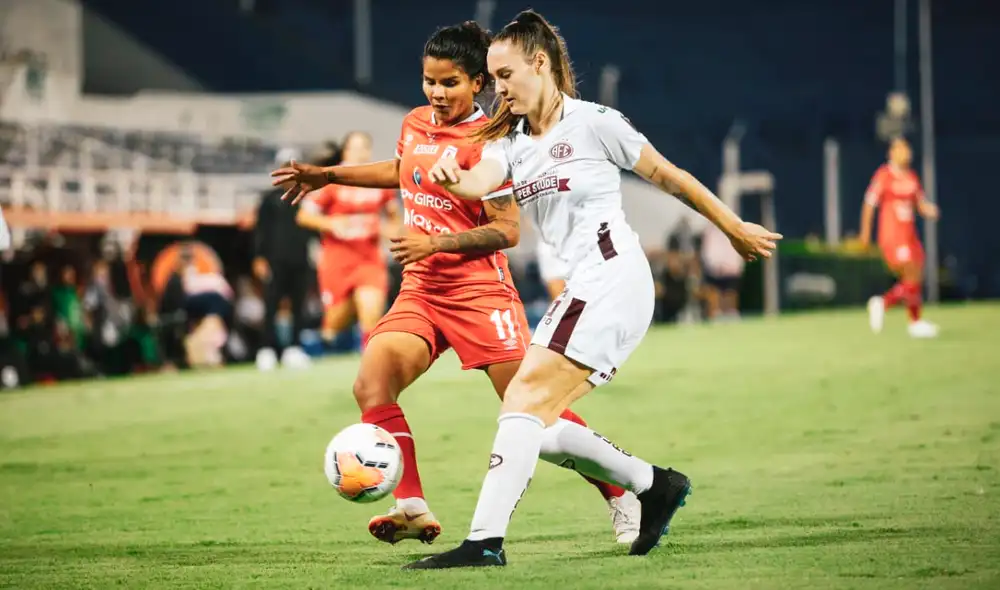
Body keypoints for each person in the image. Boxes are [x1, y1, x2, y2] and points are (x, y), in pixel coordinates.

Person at [406, 10, 781, 569]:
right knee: (539, 424)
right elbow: (478, 179)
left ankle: (485, 542)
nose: (499, 88)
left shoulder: (594, 122)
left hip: (613, 277)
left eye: (506, 75)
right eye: (493, 77)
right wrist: (449, 179)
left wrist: (733, 228)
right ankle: (652, 485)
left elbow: (671, 177)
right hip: (584, 287)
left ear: (540, 63)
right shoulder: (510, 144)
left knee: (524, 403)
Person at [271, 22, 642, 547]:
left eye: (449, 84)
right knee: (371, 385)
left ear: (477, 84)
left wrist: (436, 245)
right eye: (429, 81)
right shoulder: (415, 122)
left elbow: (507, 230)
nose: (436, 94)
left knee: (533, 410)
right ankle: (411, 506)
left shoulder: (494, 144)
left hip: (479, 292)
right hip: (422, 289)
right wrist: (330, 176)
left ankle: (621, 493)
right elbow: (404, 170)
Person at [296, 131, 401, 348]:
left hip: (369, 257)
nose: (360, 152)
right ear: (345, 151)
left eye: (364, 147)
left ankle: (370, 363)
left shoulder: (378, 180)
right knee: (336, 319)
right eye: (355, 147)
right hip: (337, 259)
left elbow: (394, 220)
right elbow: (303, 216)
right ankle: (322, 342)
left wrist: (387, 230)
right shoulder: (331, 180)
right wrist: (332, 224)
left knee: (371, 311)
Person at [860, 137, 940, 338]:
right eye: (901, 149)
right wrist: (865, 233)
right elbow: (869, 204)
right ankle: (894, 310)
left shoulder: (911, 177)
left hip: (909, 234)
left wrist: (928, 210)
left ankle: (909, 319)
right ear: (892, 153)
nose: (907, 152)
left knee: (915, 276)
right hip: (892, 235)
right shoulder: (884, 175)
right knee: (910, 273)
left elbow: (919, 203)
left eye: (907, 148)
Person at [254, 149, 316, 371]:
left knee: (299, 306)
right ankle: (266, 349)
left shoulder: (306, 198)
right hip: (274, 261)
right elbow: (260, 232)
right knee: (271, 305)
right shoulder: (269, 200)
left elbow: (314, 230)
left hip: (300, 260)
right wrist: (259, 258)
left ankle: (294, 348)